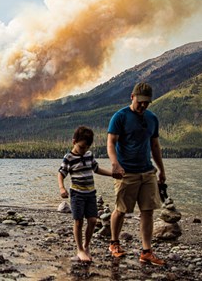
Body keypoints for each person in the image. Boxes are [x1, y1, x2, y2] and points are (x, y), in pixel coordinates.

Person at [107, 82, 167, 266]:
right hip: (126, 172)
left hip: (147, 172)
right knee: (121, 209)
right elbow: (110, 143)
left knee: (148, 211)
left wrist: (162, 171)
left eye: (146, 102)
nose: (143, 105)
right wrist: (115, 164)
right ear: (132, 97)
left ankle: (146, 251)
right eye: (140, 101)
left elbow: (155, 146)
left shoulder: (152, 118)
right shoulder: (120, 116)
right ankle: (114, 243)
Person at [58, 126, 117, 262]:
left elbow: (96, 169)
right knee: (78, 221)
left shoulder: (89, 155)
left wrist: (112, 174)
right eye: (81, 147)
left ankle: (86, 245)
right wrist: (62, 188)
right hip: (77, 194)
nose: (84, 150)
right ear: (74, 142)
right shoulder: (69, 158)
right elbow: (61, 174)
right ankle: (79, 250)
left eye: (86, 147)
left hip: (90, 193)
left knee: (92, 220)